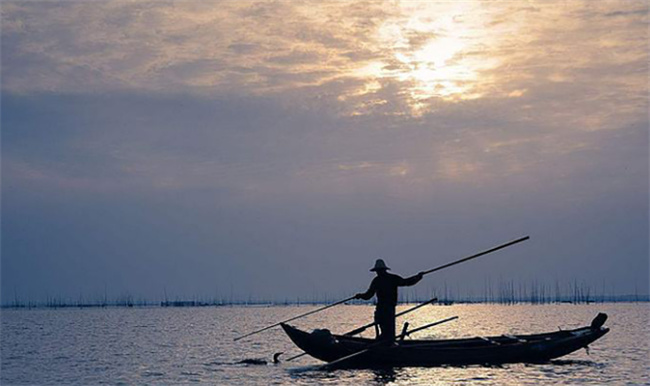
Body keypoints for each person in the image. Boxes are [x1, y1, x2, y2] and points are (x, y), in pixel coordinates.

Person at [354, 259, 424, 343]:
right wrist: (418, 277)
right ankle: (386, 343)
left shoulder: (379, 280)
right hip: (385, 309)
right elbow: (407, 282)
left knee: (387, 332)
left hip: (385, 309)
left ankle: (386, 344)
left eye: (378, 271)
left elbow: (368, 296)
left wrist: (417, 277)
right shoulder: (387, 279)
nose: (378, 273)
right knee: (387, 332)